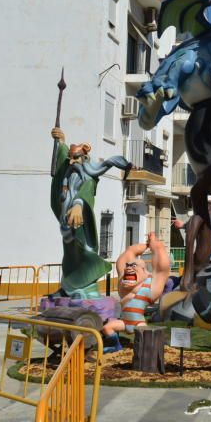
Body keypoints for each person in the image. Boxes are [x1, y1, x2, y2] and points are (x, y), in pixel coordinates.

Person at [50, 127, 131, 299]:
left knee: (82, 252)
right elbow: (62, 164)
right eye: (70, 158)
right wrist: (61, 142)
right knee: (70, 255)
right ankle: (67, 288)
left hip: (80, 223)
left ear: (85, 158)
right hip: (66, 224)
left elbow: (87, 190)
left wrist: (79, 205)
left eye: (76, 158)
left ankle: (86, 287)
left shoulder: (89, 177)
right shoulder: (69, 173)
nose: (72, 162)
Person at [100, 232, 172, 353]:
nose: (129, 268)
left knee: (145, 337)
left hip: (138, 323)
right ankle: (116, 346)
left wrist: (153, 242)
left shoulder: (148, 286)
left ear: (145, 272)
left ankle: (152, 347)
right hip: (124, 322)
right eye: (128, 266)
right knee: (107, 328)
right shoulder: (123, 285)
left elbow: (162, 265)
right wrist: (146, 245)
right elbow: (128, 253)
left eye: (134, 267)